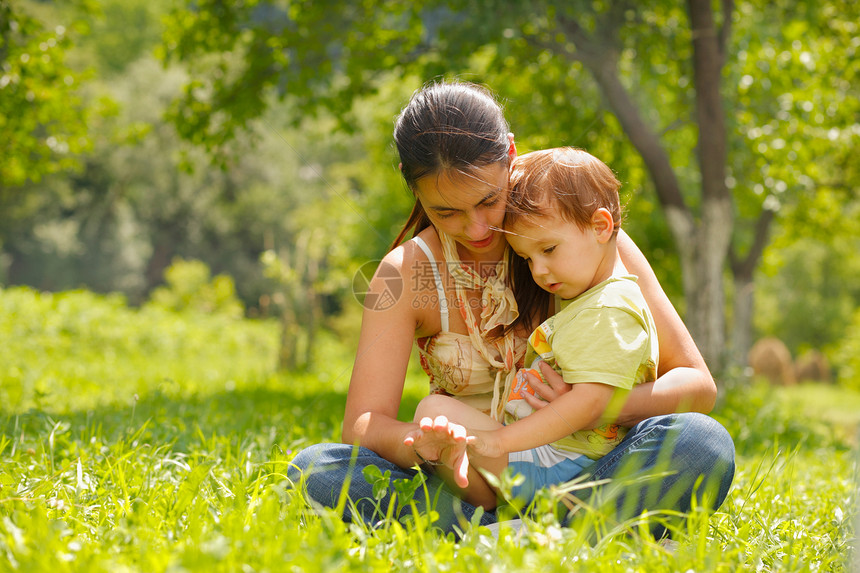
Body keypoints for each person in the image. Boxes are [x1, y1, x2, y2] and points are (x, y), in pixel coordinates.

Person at [289, 80, 734, 536]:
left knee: (701, 442)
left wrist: (592, 407)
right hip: (471, 479)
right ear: (413, 185)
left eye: (489, 200)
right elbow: (363, 423)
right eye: (447, 213)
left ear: (511, 154)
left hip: (591, 466)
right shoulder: (404, 273)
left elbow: (697, 386)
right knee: (316, 469)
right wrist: (426, 444)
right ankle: (572, 532)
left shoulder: (583, 235)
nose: (478, 227)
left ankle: (497, 534)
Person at [403, 147, 661, 512]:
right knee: (435, 414)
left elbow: (591, 402)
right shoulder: (590, 297)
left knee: (698, 442)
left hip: (562, 463)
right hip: (552, 454)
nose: (537, 271)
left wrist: (500, 441)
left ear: (602, 227)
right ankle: (505, 521)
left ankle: (508, 521)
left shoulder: (609, 307)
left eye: (549, 250)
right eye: (527, 258)